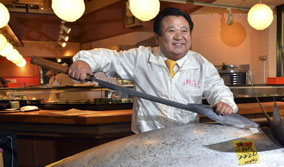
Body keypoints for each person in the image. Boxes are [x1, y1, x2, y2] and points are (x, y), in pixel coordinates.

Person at [68, 7, 238, 133]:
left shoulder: (201, 64)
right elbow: (109, 58)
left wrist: (224, 102)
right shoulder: (141, 58)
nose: (179, 36)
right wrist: (84, 62)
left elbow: (218, 89)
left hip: (185, 140)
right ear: (157, 38)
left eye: (184, 31)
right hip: (146, 141)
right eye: (171, 31)